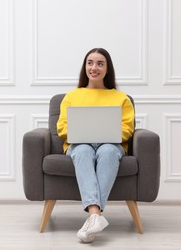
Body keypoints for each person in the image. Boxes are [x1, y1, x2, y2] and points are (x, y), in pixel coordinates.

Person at [57, 48, 135, 243]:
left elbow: (127, 128)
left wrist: (108, 135)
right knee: (83, 150)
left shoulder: (121, 97)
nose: (94, 67)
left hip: (110, 143)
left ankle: (93, 219)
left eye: (100, 63)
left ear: (107, 69)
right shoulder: (72, 96)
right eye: (90, 63)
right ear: (85, 67)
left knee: (108, 151)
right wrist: (80, 133)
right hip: (79, 143)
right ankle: (95, 215)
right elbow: (62, 127)